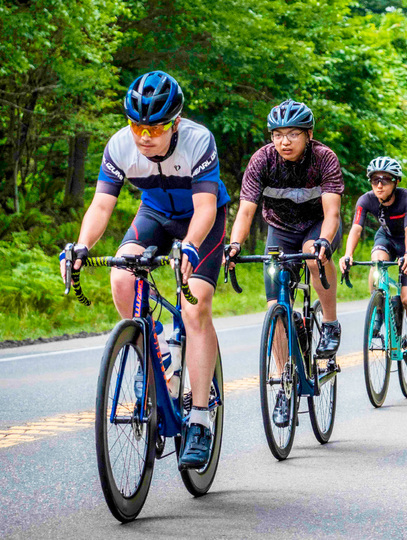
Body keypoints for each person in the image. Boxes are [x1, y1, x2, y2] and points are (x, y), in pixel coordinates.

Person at [59, 71, 230, 469]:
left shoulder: (199, 140)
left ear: (175, 122)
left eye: (155, 128)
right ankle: (157, 357)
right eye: (137, 126)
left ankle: (200, 419)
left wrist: (191, 245)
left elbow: (205, 207)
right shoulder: (120, 145)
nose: (145, 136)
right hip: (154, 213)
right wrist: (82, 245)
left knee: (195, 308)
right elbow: (102, 205)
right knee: (121, 276)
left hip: (202, 220)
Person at [227, 100, 344, 425]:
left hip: (317, 226)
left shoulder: (324, 158)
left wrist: (324, 241)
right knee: (275, 310)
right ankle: (284, 384)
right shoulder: (262, 160)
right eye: (278, 134)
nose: (284, 141)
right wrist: (234, 244)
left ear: (309, 134)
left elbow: (332, 213)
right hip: (280, 230)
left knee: (312, 254)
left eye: (293, 134)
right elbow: (245, 212)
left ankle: (330, 324)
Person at [338, 156, 407, 376]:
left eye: (385, 180)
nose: (379, 185)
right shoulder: (365, 200)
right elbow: (356, 229)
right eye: (374, 180)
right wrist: (348, 255)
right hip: (386, 237)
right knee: (376, 261)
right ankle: (379, 306)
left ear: (396, 182)